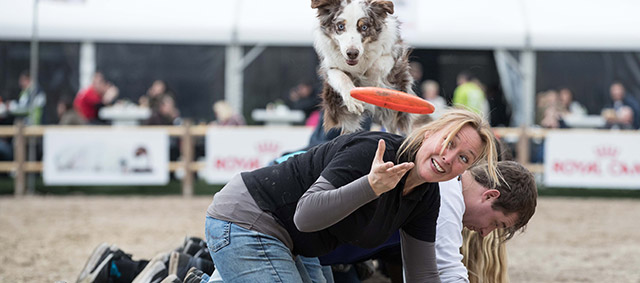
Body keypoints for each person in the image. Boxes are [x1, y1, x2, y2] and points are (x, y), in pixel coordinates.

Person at [205, 108, 500, 282]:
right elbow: (306, 216)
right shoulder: (376, 150)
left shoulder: (426, 197)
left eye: (463, 158)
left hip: (292, 242)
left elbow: (423, 274)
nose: (449, 158)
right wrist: (370, 186)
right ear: (427, 135)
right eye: (448, 143)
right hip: (247, 220)